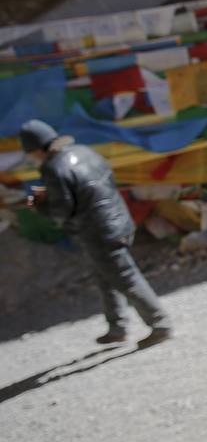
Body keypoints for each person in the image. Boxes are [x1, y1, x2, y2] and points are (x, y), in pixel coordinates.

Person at [21, 119, 172, 348]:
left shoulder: (53, 168)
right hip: (119, 221)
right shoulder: (84, 151)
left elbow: (62, 210)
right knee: (105, 276)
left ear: (36, 149)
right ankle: (117, 327)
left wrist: (41, 205)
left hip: (97, 231)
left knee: (125, 276)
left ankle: (160, 323)